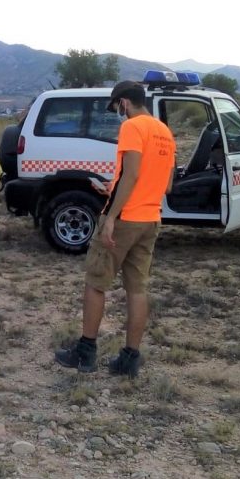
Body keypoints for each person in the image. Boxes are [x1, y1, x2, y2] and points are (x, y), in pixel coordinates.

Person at [54, 81, 176, 377]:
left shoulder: (133, 127)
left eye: (116, 107)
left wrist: (111, 215)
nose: (118, 113)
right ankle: (129, 359)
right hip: (151, 218)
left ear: (124, 102)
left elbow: (132, 173)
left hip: (125, 219)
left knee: (96, 282)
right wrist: (112, 186)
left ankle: (85, 352)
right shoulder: (165, 132)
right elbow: (166, 184)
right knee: (137, 289)